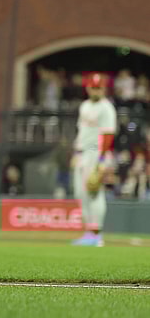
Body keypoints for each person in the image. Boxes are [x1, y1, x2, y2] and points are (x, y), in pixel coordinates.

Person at [71, 72, 116, 247]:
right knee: (80, 194)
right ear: (88, 88)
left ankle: (96, 235)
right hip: (82, 152)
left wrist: (102, 161)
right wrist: (76, 153)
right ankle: (89, 233)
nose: (96, 90)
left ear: (104, 88)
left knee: (94, 192)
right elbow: (81, 132)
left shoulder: (106, 108)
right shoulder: (84, 106)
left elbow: (108, 135)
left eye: (99, 87)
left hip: (96, 152)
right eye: (93, 87)